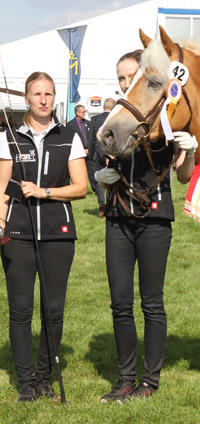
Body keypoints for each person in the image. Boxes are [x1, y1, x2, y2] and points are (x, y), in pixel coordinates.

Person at [97, 50, 196, 403]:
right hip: (118, 219)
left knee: (152, 303)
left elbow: (184, 177)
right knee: (120, 303)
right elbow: (101, 170)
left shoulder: (167, 122)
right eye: (121, 78)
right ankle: (125, 379)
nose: (125, 83)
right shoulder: (116, 119)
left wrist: (192, 150)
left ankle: (149, 382)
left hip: (155, 221)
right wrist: (101, 177)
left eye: (130, 77)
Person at [0, 72, 88, 402]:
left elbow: (81, 187)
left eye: (48, 94)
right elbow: (2, 189)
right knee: (20, 310)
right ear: (26, 98)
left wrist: (45, 192)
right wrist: (0, 223)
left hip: (58, 235)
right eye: (37, 94)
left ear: (55, 98)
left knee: (52, 312)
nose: (43, 99)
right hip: (18, 235)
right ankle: (25, 382)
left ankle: (44, 376)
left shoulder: (69, 137)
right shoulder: (7, 137)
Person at [90, 98, 116, 217]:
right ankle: (111, 204)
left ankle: (102, 203)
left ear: (103, 107)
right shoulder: (116, 118)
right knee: (113, 178)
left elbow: (91, 140)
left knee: (99, 180)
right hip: (113, 153)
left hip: (97, 154)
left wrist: (90, 156)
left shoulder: (94, 120)